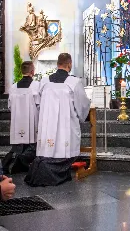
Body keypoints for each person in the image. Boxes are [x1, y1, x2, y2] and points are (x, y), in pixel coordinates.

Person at [25, 53, 91, 187]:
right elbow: (83, 105)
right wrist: (82, 116)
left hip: (47, 125)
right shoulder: (74, 82)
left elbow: (38, 104)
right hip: (66, 127)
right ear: (69, 64)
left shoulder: (44, 82)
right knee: (65, 149)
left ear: (57, 64)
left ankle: (42, 169)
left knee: (47, 152)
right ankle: (55, 173)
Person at [2, 61, 40, 174]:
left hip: (17, 121)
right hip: (31, 121)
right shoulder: (36, 86)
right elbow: (39, 105)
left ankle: (9, 164)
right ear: (33, 71)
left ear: (21, 71)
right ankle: (22, 162)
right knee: (32, 145)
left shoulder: (13, 88)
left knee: (18, 146)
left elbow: (10, 106)